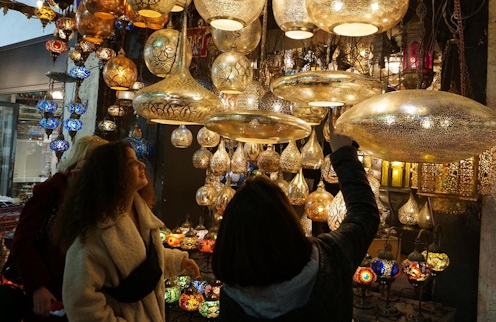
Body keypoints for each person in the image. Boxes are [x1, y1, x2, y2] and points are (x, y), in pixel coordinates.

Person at [211, 127, 380, 322]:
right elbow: (364, 214)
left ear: (229, 237)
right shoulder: (330, 258)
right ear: (288, 222)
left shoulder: (232, 299)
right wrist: (343, 154)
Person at [51, 140, 200, 322]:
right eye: (131, 163)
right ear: (113, 174)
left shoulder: (143, 215)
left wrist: (178, 261)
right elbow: (80, 303)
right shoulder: (93, 232)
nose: (142, 165)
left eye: (138, 159)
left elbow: (142, 260)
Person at [10, 135, 107, 322]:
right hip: (50, 291)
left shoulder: (90, 195)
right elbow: (22, 241)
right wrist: (38, 285)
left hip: (77, 290)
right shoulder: (49, 193)